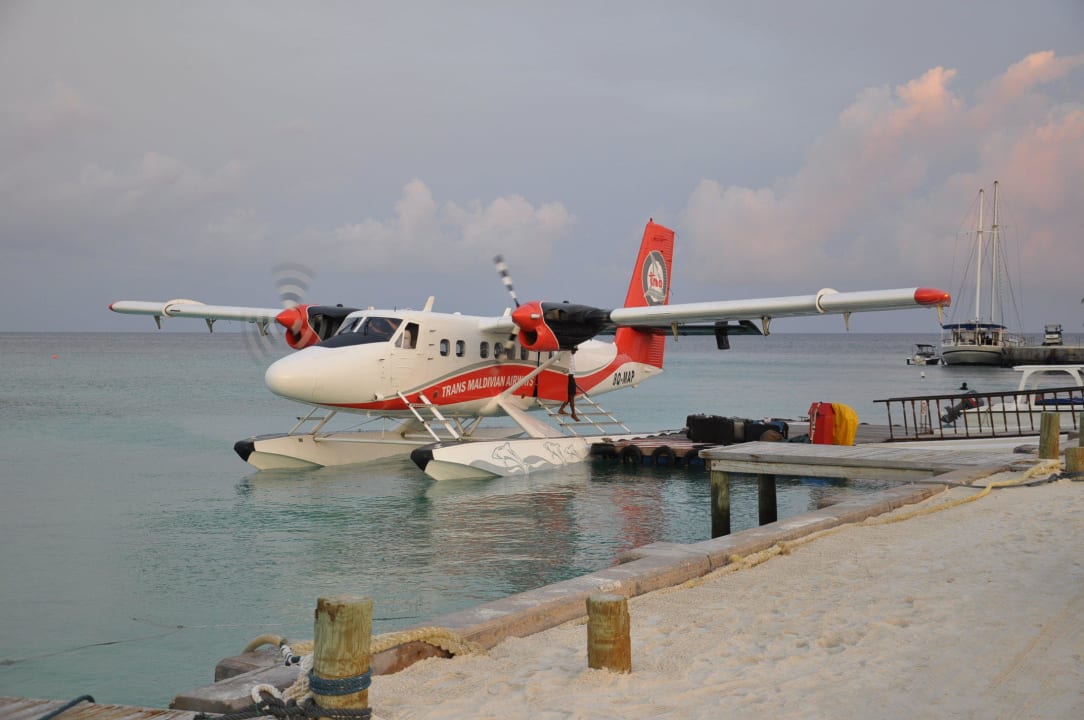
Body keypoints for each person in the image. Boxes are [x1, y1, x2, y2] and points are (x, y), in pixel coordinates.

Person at [557, 347, 580, 421]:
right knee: (572, 396)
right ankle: (573, 414)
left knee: (570, 396)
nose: (575, 352)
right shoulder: (567, 355)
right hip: (569, 376)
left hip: (571, 377)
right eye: (574, 350)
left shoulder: (572, 356)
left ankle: (561, 409)